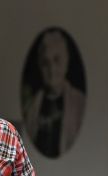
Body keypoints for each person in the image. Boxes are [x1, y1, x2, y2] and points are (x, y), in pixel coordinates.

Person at [23, 28, 86, 158]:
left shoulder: (79, 102)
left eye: (57, 60)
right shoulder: (32, 107)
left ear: (66, 61)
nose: (52, 68)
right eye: (46, 63)